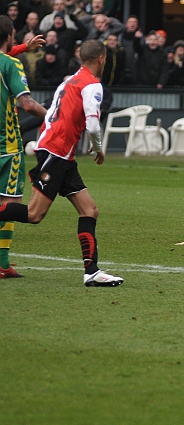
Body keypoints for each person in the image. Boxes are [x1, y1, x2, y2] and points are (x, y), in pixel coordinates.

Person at [0, 39, 122, 286]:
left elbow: (53, 111)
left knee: (89, 210)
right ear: (101, 59)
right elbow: (92, 123)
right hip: (56, 153)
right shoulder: (92, 85)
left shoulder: (70, 80)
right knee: (34, 214)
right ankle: (92, 272)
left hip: (59, 153)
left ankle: (92, 273)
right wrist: (98, 148)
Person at [0, 16, 48, 279]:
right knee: (9, 203)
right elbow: (27, 104)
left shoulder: (10, 56)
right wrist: (53, 116)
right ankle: (3, 263)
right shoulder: (11, 64)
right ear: (8, 37)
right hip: (6, 147)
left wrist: (21, 47)